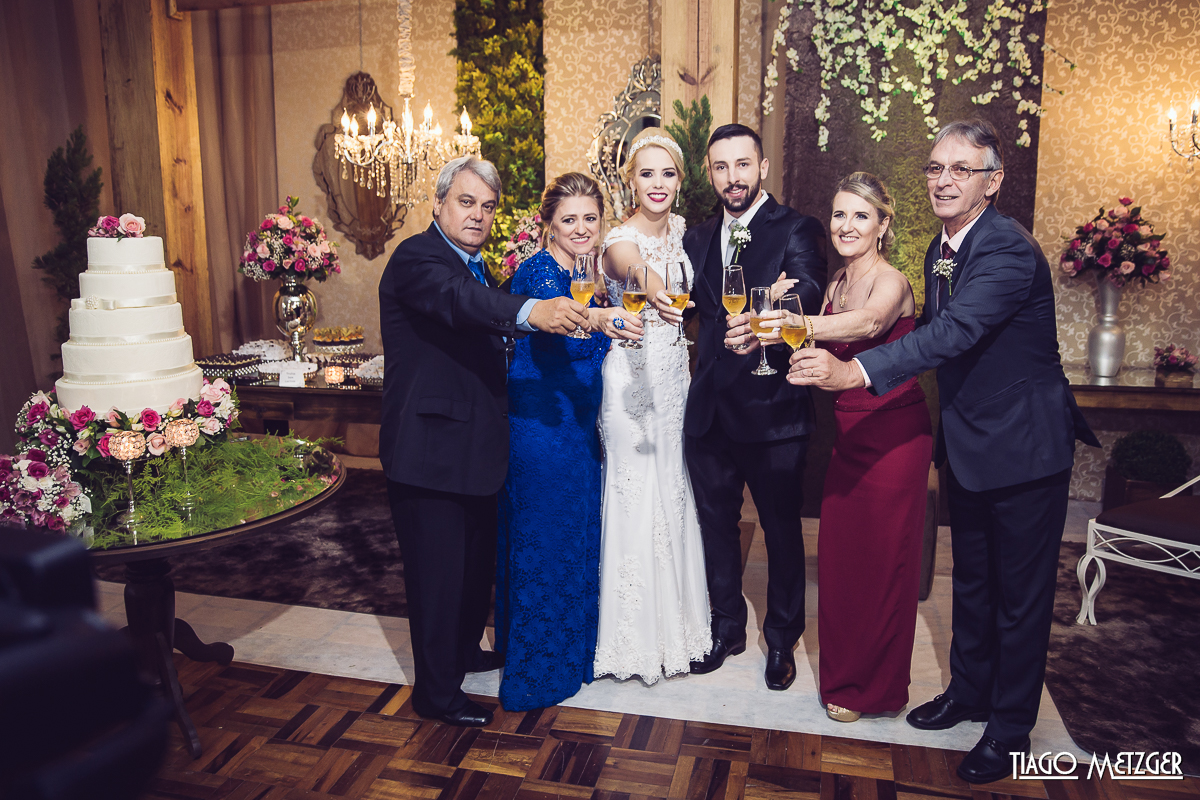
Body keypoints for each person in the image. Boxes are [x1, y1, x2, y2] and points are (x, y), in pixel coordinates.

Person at [789, 120, 1098, 783]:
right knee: (974, 582)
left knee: (1019, 597)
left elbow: (953, 332)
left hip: (1024, 448)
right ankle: (968, 692)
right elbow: (929, 329)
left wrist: (859, 371)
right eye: (936, 168)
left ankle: (1010, 729)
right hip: (970, 442)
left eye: (962, 169)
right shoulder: (942, 247)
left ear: (993, 181)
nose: (945, 180)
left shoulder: (1008, 251)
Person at [378, 156, 589, 727]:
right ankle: (436, 693)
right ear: (439, 205)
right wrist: (533, 310)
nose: (477, 214)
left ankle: (461, 654)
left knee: (471, 569)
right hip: (428, 452)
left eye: (487, 206)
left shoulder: (476, 266)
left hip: (474, 450)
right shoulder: (418, 259)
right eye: (466, 202)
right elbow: (462, 304)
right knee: (437, 578)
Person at [655, 124, 825, 691]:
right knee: (716, 529)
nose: (734, 178)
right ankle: (726, 629)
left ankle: (781, 641)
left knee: (780, 531)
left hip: (775, 408)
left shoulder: (797, 227)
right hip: (709, 411)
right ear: (711, 172)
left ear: (763, 168)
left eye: (743, 165)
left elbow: (809, 290)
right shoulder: (697, 238)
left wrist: (773, 312)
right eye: (722, 167)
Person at [771, 173, 932, 722]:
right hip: (849, 437)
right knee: (843, 562)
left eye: (860, 216)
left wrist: (797, 322)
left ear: (883, 225)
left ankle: (877, 691)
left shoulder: (894, 281)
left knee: (885, 565)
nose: (846, 225)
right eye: (839, 215)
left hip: (894, 437)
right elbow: (820, 330)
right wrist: (772, 317)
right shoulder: (837, 280)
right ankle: (842, 677)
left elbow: (869, 323)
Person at [496, 172, 642, 711]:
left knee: (575, 540)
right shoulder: (536, 271)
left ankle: (574, 654)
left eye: (589, 218)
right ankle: (537, 673)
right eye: (568, 220)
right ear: (548, 226)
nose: (581, 228)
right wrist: (607, 319)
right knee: (545, 545)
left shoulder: (596, 273)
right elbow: (564, 321)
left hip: (580, 431)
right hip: (541, 430)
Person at [593, 127, 712, 683]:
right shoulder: (619, 237)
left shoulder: (688, 231)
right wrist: (648, 278)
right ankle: (631, 641)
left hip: (673, 382)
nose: (657, 184)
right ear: (629, 180)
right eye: (647, 173)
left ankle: (678, 635)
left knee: (672, 488)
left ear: (681, 181)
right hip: (629, 384)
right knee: (635, 492)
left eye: (668, 173)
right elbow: (624, 265)